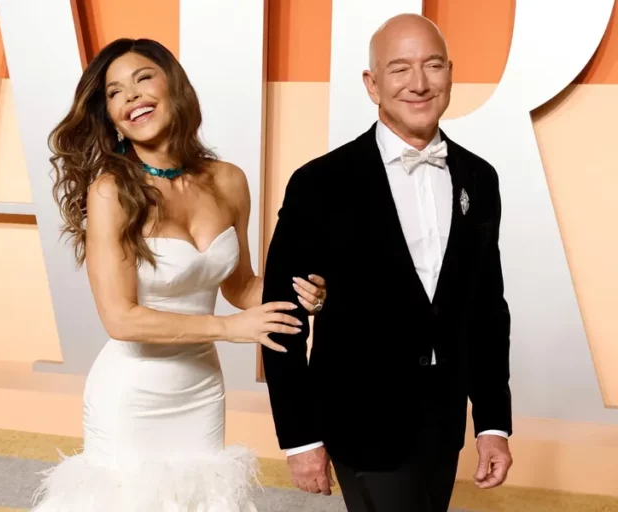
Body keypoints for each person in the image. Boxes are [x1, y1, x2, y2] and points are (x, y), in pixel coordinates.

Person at [29, 38, 328, 511]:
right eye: (114, 92)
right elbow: (120, 319)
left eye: (143, 78)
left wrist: (303, 294)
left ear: (174, 86)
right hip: (132, 394)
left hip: (202, 390)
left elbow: (241, 285)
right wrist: (229, 329)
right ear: (111, 118)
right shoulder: (110, 191)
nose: (131, 96)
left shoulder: (229, 180)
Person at [260, 13, 513, 512]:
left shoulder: (480, 178)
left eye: (433, 65)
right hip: (360, 425)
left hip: (443, 428)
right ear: (372, 84)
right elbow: (282, 318)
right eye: (400, 69)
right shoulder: (319, 183)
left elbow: (487, 310)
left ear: (450, 75)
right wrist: (300, 437)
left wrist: (492, 424)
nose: (419, 83)